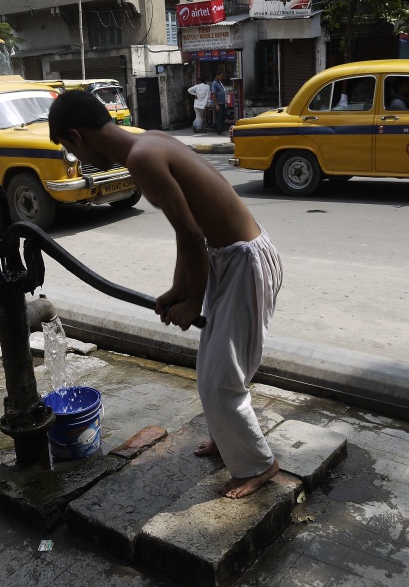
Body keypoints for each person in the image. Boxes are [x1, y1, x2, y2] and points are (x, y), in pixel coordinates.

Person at [48, 90, 283, 499]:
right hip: (230, 257)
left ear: (77, 136)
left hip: (243, 261)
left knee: (221, 378)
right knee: (216, 368)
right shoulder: (148, 142)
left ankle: (259, 466)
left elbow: (191, 234)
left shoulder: (142, 158)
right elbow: (187, 230)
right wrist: (180, 288)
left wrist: (192, 302)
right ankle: (230, 439)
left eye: (70, 149)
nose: (76, 157)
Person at [210, 72, 227, 136]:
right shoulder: (214, 83)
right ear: (217, 75)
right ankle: (220, 130)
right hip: (218, 103)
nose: (222, 77)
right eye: (221, 76)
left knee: (225, 114)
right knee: (219, 117)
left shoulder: (220, 83)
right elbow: (213, 94)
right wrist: (216, 104)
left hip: (223, 102)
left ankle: (216, 126)